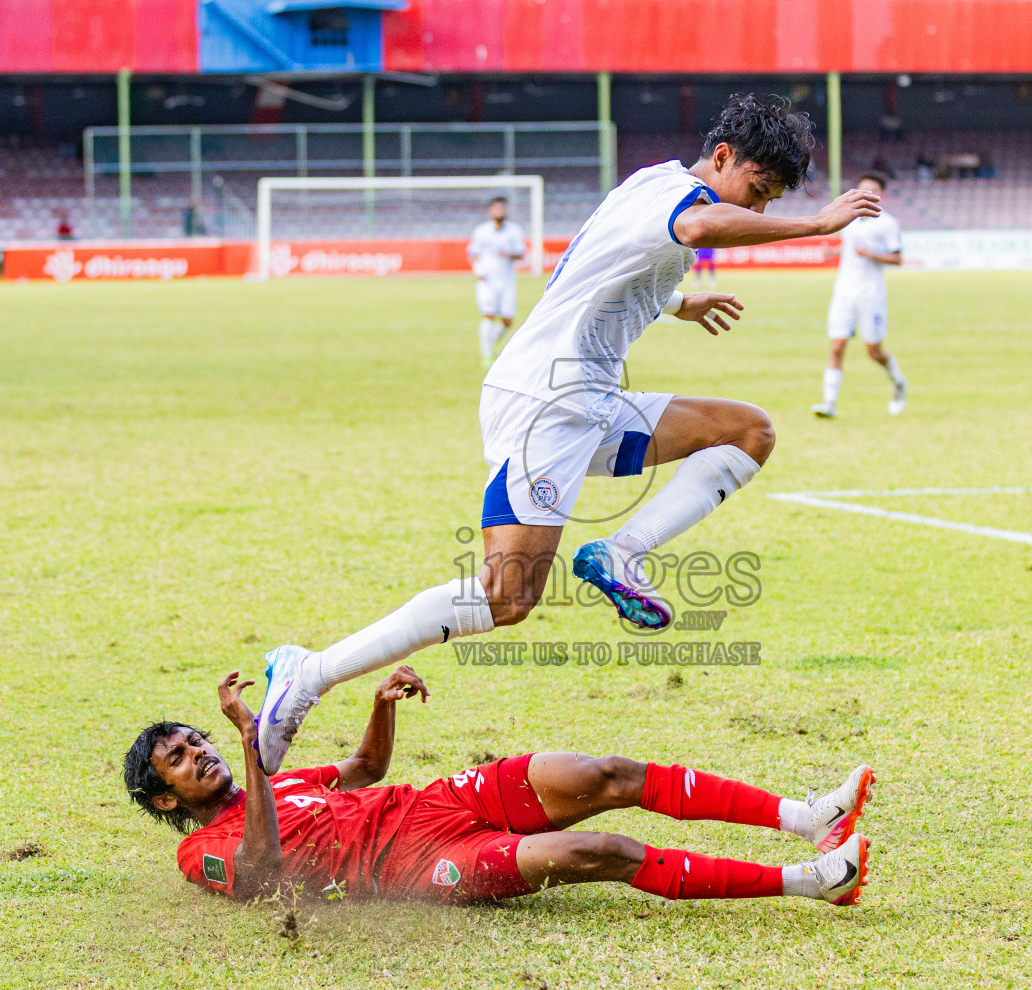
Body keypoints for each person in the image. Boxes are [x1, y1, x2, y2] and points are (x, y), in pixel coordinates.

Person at [248, 94, 881, 773]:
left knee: (747, 432)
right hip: (546, 403)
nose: (756, 212)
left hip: (587, 401)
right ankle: (307, 673)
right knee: (506, 596)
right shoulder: (678, 198)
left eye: (770, 201)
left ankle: (619, 553)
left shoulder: (651, 184)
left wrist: (675, 301)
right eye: (756, 192)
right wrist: (814, 223)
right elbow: (697, 229)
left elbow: (598, 261)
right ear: (723, 157)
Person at [126, 667, 876, 907]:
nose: (201, 755)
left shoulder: (280, 779)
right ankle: (808, 881)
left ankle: (805, 817)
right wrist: (255, 753)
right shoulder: (203, 853)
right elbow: (259, 873)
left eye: (198, 742)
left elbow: (365, 772)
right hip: (417, 870)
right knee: (603, 850)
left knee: (603, 774)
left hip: (435, 803)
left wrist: (380, 707)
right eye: (181, 762)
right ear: (167, 799)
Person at [813, 173, 906, 419]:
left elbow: (897, 258)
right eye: (862, 190)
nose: (866, 194)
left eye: (872, 191)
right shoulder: (850, 220)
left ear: (881, 195)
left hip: (871, 295)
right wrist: (832, 252)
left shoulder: (887, 223)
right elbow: (848, 247)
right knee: (837, 346)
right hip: (844, 292)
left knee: (874, 352)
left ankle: (898, 381)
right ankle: (829, 403)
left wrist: (871, 254)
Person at [467, 197, 529, 367]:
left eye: (502, 209)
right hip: (487, 281)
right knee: (488, 315)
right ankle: (486, 356)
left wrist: (508, 254)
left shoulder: (514, 231)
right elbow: (473, 255)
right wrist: (478, 270)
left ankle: (490, 341)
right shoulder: (481, 231)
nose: (499, 212)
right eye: (496, 209)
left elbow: (521, 254)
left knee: (507, 320)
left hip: (507, 281)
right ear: (490, 211)